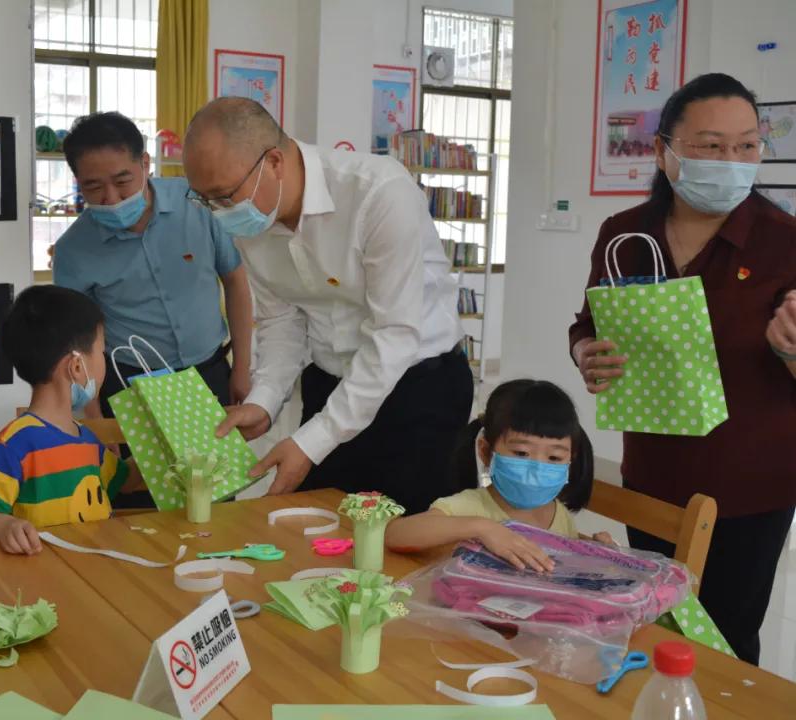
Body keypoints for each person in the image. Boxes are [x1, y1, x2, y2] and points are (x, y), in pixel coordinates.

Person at [570, 73, 796, 665]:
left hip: (752, 482)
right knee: (654, 621)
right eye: (711, 145)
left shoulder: (784, 242)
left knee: (723, 638)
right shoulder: (624, 234)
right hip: (654, 469)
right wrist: (584, 353)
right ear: (664, 153)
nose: (732, 160)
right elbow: (589, 321)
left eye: (747, 145)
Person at [183, 97, 473, 515]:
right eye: (205, 200)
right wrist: (264, 402)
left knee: (405, 541)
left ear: (275, 162)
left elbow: (394, 336)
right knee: (320, 530)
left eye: (225, 195)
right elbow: (281, 321)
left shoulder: (378, 193)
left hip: (418, 390)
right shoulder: (252, 216)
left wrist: (313, 441)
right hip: (330, 384)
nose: (220, 212)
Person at [52, 112, 253, 417]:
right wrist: (93, 416)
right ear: (78, 182)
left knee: (216, 464)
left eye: (122, 181)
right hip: (131, 383)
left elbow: (235, 280)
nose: (111, 198)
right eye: (93, 187)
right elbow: (77, 341)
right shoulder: (73, 250)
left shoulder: (195, 203)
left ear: (145, 164)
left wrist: (242, 366)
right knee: (138, 466)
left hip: (210, 371)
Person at [0, 285, 142, 555]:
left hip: (92, 571)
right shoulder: (21, 439)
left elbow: (121, 481)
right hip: (45, 578)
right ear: (76, 367)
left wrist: (165, 448)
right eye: (101, 352)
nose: (105, 361)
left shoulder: (85, 438)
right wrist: (5, 526)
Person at [385, 380, 612, 569]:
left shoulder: (559, 514)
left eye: (554, 458)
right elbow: (396, 535)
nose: (536, 468)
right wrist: (482, 528)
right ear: (486, 452)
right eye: (522, 453)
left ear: (570, 459)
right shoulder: (470, 506)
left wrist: (598, 553)